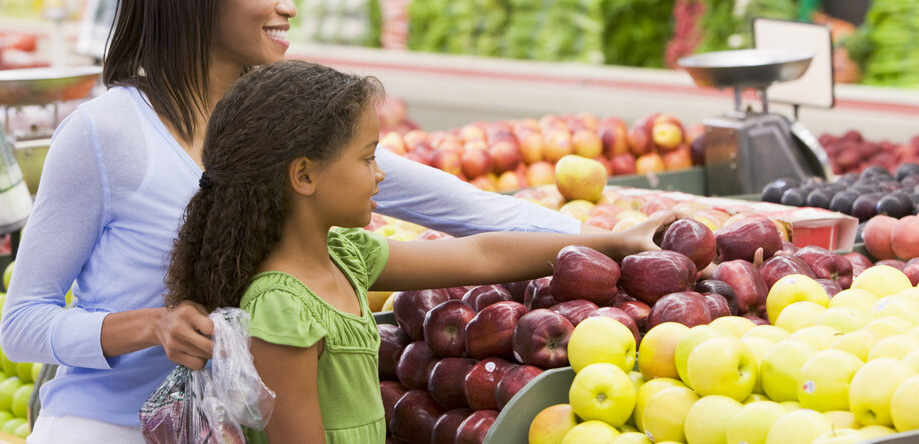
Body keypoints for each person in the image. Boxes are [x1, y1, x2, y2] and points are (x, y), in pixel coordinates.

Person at [0, 0, 627, 440]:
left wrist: (613, 246)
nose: (288, 6)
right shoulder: (104, 134)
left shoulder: (281, 121)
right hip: (111, 427)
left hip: (238, 428)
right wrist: (150, 326)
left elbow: (474, 217)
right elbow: (23, 323)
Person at [163, 59, 670, 443]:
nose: (380, 174)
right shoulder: (280, 308)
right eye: (367, 158)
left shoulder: (345, 254)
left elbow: (482, 257)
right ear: (304, 174)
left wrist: (612, 242)